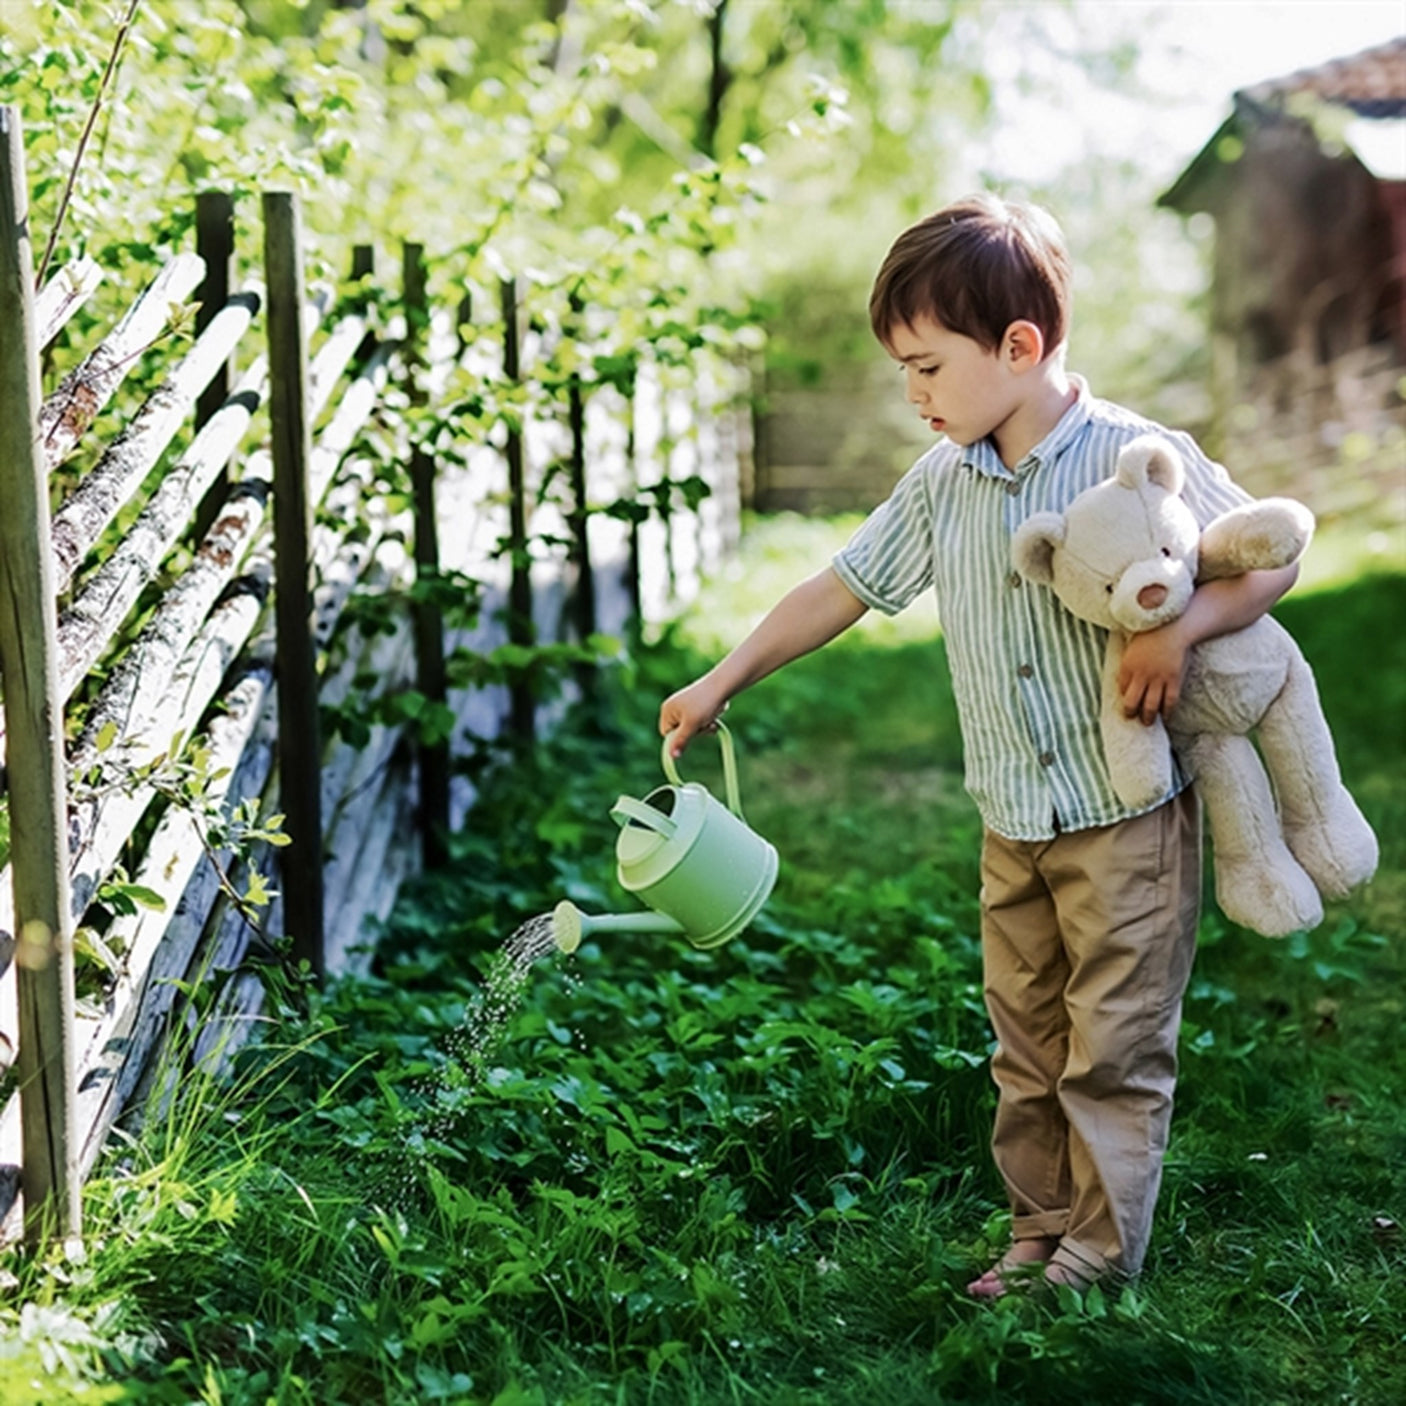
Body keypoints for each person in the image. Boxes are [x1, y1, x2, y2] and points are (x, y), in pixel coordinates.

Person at [658, 193, 1299, 1296]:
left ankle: (1096, 1253)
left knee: (1113, 1040)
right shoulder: (940, 483)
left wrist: (1180, 630)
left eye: (926, 367)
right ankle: (1036, 1225)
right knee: (1026, 1039)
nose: (912, 393)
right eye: (902, 370)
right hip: (1011, 818)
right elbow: (840, 586)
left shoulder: (1132, 456)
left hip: (1126, 814)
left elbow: (1269, 555)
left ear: (1017, 346)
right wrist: (721, 678)